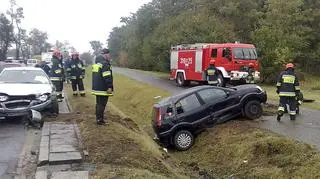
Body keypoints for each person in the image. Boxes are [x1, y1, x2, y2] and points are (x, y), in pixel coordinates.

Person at [92, 48, 113, 125]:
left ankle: (98, 118)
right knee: (102, 104)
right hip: (103, 88)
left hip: (97, 88)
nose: (109, 56)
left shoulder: (97, 63)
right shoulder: (105, 64)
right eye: (108, 54)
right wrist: (109, 87)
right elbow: (107, 76)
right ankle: (100, 120)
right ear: (105, 54)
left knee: (98, 103)